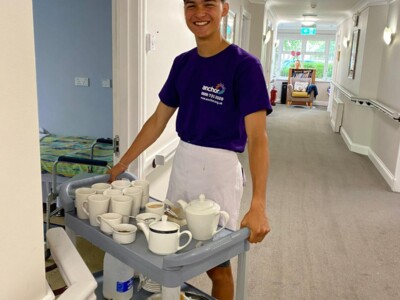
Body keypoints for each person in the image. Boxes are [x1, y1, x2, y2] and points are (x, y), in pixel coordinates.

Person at [107, 0, 272, 299]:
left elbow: (258, 138)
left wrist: (258, 203)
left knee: (217, 266)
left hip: (220, 172)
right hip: (184, 165)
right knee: (167, 250)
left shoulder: (244, 66)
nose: (199, 13)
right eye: (191, 5)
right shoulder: (183, 64)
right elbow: (158, 120)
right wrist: (123, 163)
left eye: (208, 3)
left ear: (224, 8)